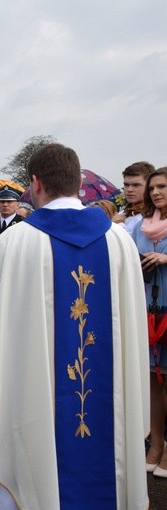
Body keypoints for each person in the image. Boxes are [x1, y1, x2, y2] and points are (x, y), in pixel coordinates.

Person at [0, 144, 149, 508]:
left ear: (34, 183)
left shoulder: (17, 241)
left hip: (38, 399)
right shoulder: (119, 241)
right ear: (78, 182)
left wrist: (14, 353)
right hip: (109, 411)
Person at [132, 167, 167, 477]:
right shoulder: (139, 226)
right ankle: (155, 444)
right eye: (153, 188)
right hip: (147, 309)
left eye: (163, 187)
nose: (156, 192)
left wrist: (165, 258)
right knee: (153, 382)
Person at [113, 161, 155, 234]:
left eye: (136, 185)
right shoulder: (122, 213)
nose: (129, 190)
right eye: (126, 185)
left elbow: (136, 243)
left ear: (149, 186)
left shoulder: (155, 215)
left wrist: (118, 224)